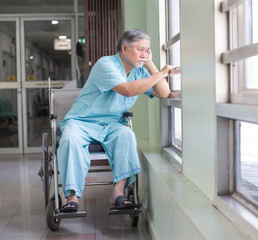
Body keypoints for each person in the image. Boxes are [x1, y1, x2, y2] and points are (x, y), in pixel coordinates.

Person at [57, 29, 173, 212]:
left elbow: (164, 93)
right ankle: (72, 198)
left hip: (112, 125)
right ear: (124, 48)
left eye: (147, 50)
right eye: (140, 49)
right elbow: (127, 90)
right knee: (70, 140)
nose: (144, 54)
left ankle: (118, 193)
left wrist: (150, 64)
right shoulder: (106, 64)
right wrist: (161, 73)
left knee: (126, 134)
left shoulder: (140, 71)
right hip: (82, 122)